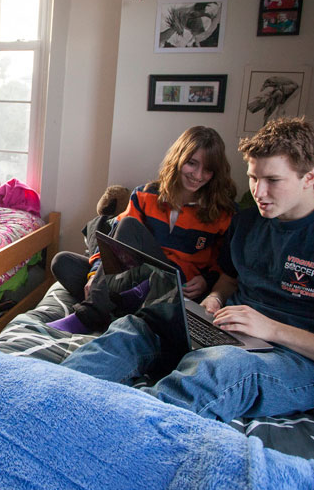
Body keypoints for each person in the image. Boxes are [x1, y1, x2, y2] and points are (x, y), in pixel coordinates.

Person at [61, 117, 314, 422]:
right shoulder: (248, 222)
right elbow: (228, 279)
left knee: (218, 368)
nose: (259, 192)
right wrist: (213, 299)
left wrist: (274, 330)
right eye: (254, 178)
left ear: (309, 177)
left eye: (273, 180)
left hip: (295, 359)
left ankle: (118, 433)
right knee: (134, 327)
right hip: (228, 332)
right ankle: (44, 397)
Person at [48, 126, 237, 335]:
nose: (198, 175)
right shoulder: (145, 195)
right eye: (192, 164)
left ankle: (91, 314)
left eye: (208, 169)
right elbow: (114, 244)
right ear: (178, 159)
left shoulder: (222, 213)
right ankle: (122, 307)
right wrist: (94, 275)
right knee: (63, 262)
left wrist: (207, 280)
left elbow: (225, 266)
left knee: (128, 226)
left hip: (176, 285)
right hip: (133, 278)